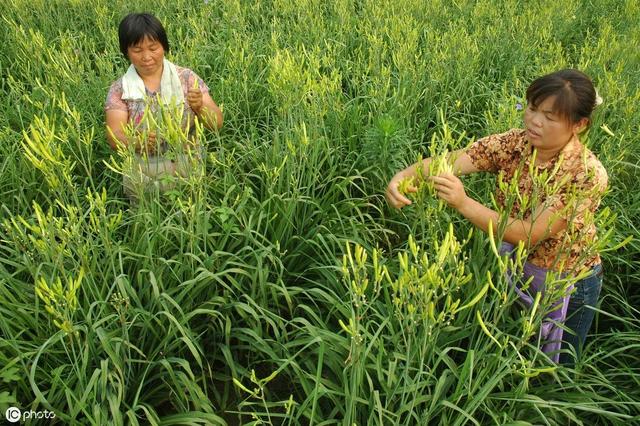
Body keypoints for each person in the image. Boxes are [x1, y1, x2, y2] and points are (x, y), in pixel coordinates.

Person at [386, 69, 608, 365]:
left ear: (579, 125)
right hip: (515, 265)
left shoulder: (586, 174)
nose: (534, 121)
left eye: (550, 117)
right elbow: (450, 162)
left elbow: (529, 234)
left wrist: (463, 203)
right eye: (532, 108)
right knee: (515, 352)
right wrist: (402, 176)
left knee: (555, 369)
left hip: (566, 281)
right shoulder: (514, 144)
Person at [105, 12, 223, 199]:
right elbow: (114, 137)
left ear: (164, 47)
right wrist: (137, 142)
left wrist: (200, 107)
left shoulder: (187, 78)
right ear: (125, 51)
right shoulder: (120, 89)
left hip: (188, 171)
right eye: (137, 50)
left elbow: (216, 124)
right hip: (143, 178)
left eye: (153, 48)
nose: (146, 57)